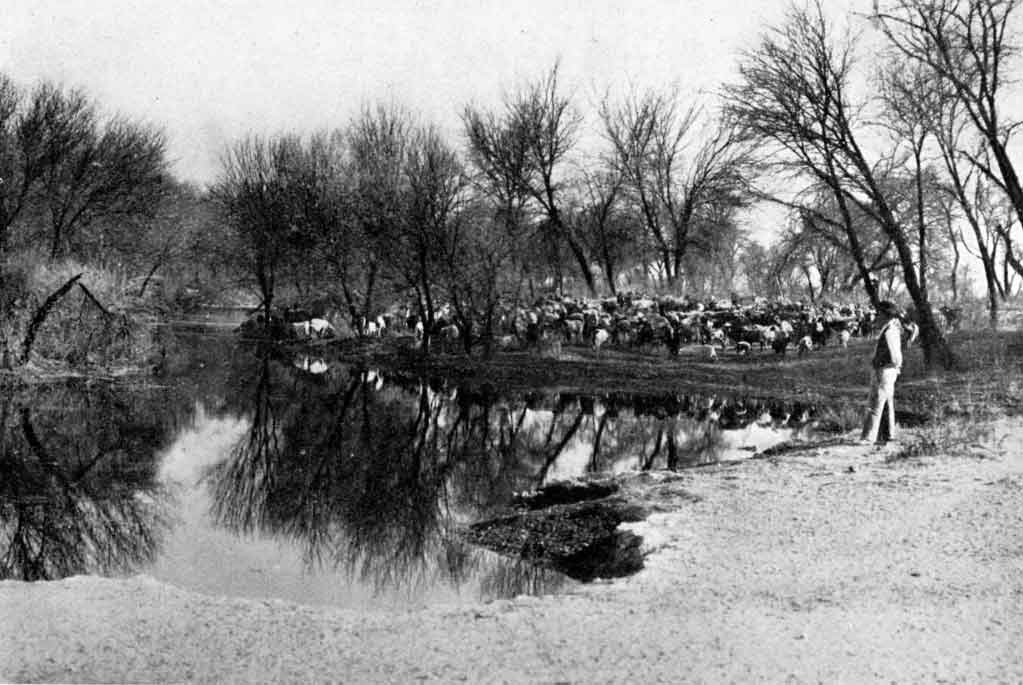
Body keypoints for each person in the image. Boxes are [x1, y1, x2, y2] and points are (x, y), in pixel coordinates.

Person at [860, 300, 903, 445]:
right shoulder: (894, 328)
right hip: (890, 370)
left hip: (884, 370)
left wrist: (879, 364)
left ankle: (868, 438)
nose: (877, 316)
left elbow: (893, 354)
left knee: (874, 403)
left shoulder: (889, 330)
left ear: (886, 315)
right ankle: (888, 434)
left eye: (879, 314)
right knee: (886, 403)